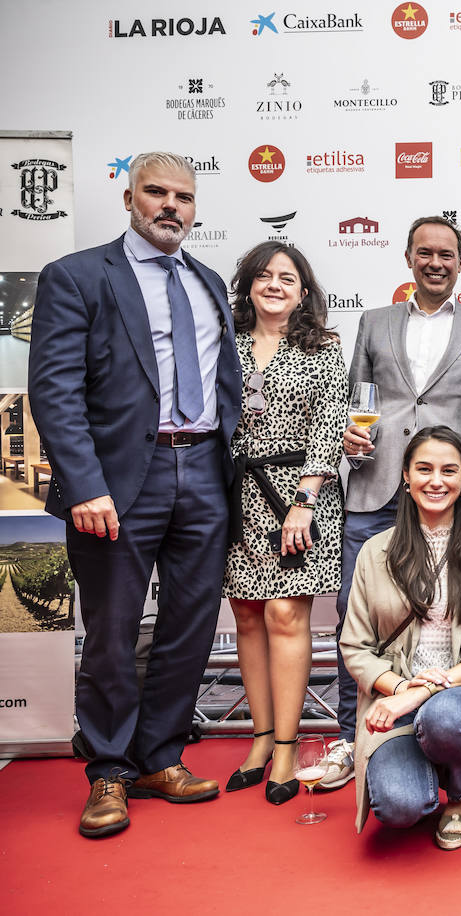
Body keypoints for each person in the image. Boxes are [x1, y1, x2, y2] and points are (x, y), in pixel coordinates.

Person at [29, 151, 242, 837]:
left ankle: (159, 755)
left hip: (205, 469)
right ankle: (110, 772)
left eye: (183, 194)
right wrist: (85, 484)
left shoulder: (209, 282)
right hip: (122, 479)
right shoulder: (78, 276)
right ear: (129, 198)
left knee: (191, 627)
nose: (170, 205)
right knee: (115, 633)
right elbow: (54, 391)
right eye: (156, 192)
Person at [324, 216, 461, 793]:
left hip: (448, 493)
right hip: (377, 488)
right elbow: (356, 401)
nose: (435, 262)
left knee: (451, 618)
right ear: (407, 258)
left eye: (446, 254)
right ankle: (355, 742)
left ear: (460, 262)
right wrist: (347, 440)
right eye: (424, 253)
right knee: (358, 625)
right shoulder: (373, 322)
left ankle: (443, 726)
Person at [340, 427, 461, 850]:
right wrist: (401, 689)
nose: (436, 481)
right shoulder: (375, 551)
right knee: (397, 808)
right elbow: (355, 647)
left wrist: (421, 694)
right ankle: (429, 765)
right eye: (424, 469)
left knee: (443, 718)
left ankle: (459, 792)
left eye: (449, 471)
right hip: (395, 702)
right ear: (405, 476)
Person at [222, 242, 347, 804]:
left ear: (303, 292)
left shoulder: (322, 346)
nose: (275, 284)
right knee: (247, 616)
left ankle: (289, 751)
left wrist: (305, 499)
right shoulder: (223, 343)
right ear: (249, 284)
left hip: (300, 492)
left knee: (284, 615)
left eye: (287, 278)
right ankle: (260, 738)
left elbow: (329, 424)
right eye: (265, 276)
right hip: (235, 494)